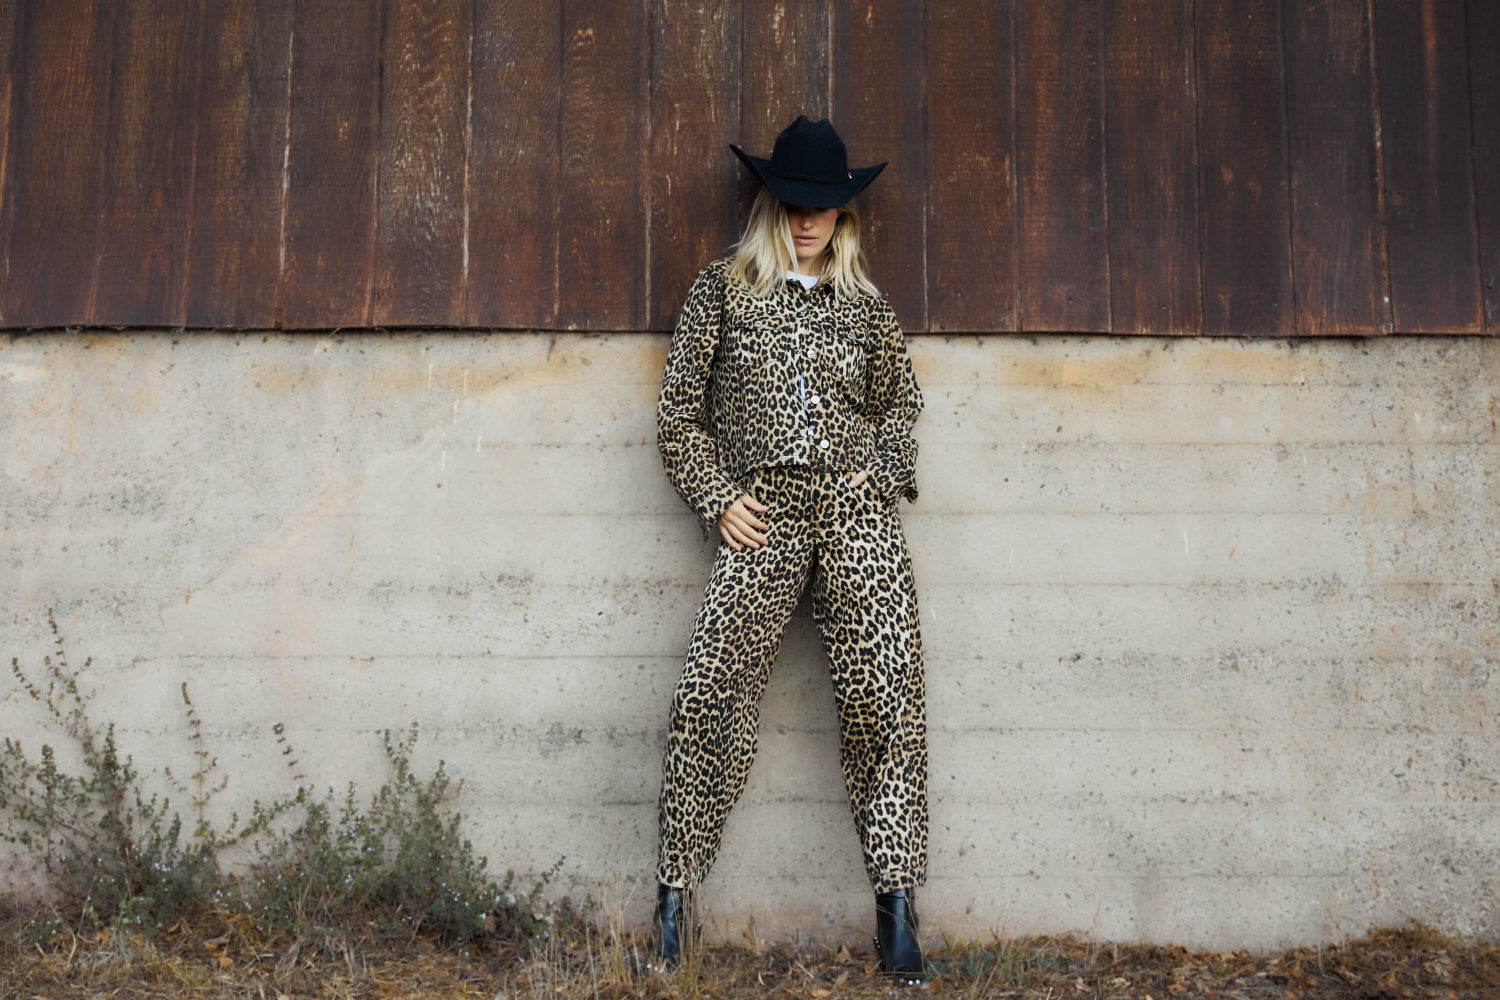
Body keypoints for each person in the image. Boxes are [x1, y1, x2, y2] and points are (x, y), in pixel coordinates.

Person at [651, 115, 928, 982]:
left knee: (886, 700)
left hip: (855, 517)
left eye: (823, 206)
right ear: (772, 204)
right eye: (794, 203)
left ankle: (896, 915)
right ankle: (674, 905)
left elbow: (903, 408)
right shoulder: (723, 291)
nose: (808, 219)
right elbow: (677, 417)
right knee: (709, 695)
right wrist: (717, 497)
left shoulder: (867, 308)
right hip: (763, 514)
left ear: (844, 213)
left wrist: (881, 472)